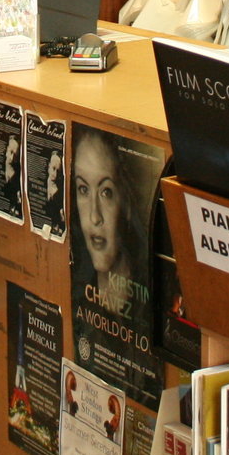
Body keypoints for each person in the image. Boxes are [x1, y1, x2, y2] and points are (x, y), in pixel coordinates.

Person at [72, 127, 144, 317]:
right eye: (83, 189)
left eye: (106, 192)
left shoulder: (148, 306)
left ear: (126, 203)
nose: (94, 217)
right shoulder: (76, 296)